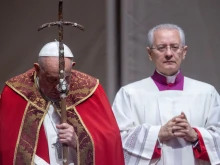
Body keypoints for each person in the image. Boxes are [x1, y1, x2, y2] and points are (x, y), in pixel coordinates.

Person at [0, 41, 125, 165]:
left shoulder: (89, 89)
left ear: (72, 66)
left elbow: (109, 142)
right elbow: (7, 145)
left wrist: (79, 142)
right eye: (51, 79)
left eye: (66, 77)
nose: (60, 86)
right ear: (37, 69)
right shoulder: (17, 91)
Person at [112, 23, 220, 165]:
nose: (169, 53)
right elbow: (117, 141)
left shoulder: (207, 93)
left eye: (175, 47)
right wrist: (157, 135)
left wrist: (195, 136)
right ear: (150, 53)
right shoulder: (129, 94)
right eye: (161, 48)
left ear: (184, 51)